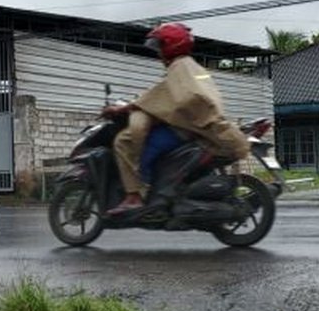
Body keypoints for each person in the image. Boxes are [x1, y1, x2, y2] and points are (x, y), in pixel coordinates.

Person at [104, 22, 250, 216]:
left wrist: (124, 108)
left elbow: (162, 99)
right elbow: (162, 95)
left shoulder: (179, 68)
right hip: (195, 127)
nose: (158, 52)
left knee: (127, 143)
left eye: (160, 46)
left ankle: (135, 196)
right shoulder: (191, 67)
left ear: (170, 46)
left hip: (183, 129)